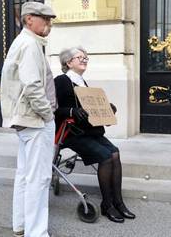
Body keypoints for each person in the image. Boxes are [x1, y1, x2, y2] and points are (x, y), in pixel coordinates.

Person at [54, 47, 136, 223]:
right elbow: (53, 108)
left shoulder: (82, 82)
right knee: (106, 157)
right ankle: (107, 204)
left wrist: (107, 109)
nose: (84, 60)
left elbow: (90, 108)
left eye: (86, 58)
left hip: (90, 131)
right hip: (72, 134)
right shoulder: (61, 81)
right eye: (80, 57)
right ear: (69, 62)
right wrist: (71, 111)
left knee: (115, 153)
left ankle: (118, 202)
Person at [1, 1, 58, 237]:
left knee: (25, 175)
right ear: (29, 19)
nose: (49, 23)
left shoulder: (24, 42)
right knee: (39, 178)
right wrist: (47, 114)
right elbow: (32, 85)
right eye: (45, 18)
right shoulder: (30, 44)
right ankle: (36, 233)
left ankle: (22, 225)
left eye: (50, 19)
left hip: (27, 119)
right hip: (35, 120)